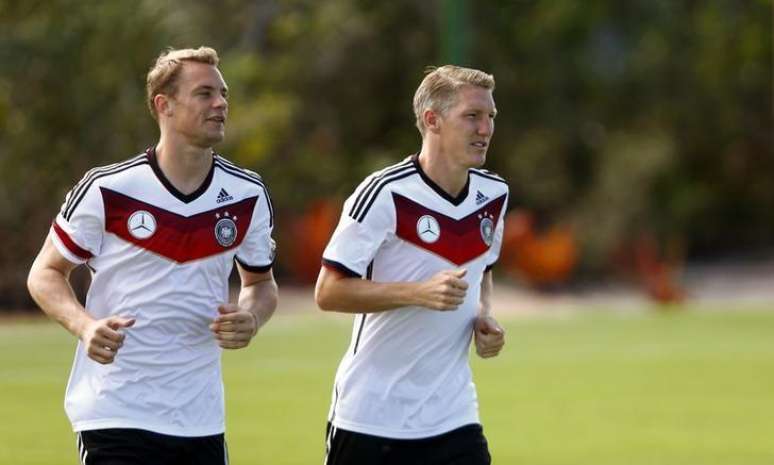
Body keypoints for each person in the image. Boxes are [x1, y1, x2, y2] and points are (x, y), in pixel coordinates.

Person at [27, 46, 278, 464]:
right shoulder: (107, 189)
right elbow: (46, 272)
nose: (220, 104)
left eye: (223, 93)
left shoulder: (247, 194)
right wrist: (84, 326)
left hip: (200, 420)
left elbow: (260, 283)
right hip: (114, 414)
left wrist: (251, 317)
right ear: (164, 105)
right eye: (204, 93)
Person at [315, 65, 508, 465]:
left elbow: (483, 269)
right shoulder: (383, 193)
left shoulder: (494, 194)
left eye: (490, 117)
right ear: (432, 120)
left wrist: (484, 317)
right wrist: (419, 293)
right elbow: (328, 291)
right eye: (472, 116)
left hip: (454, 418)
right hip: (371, 420)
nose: (485, 129)